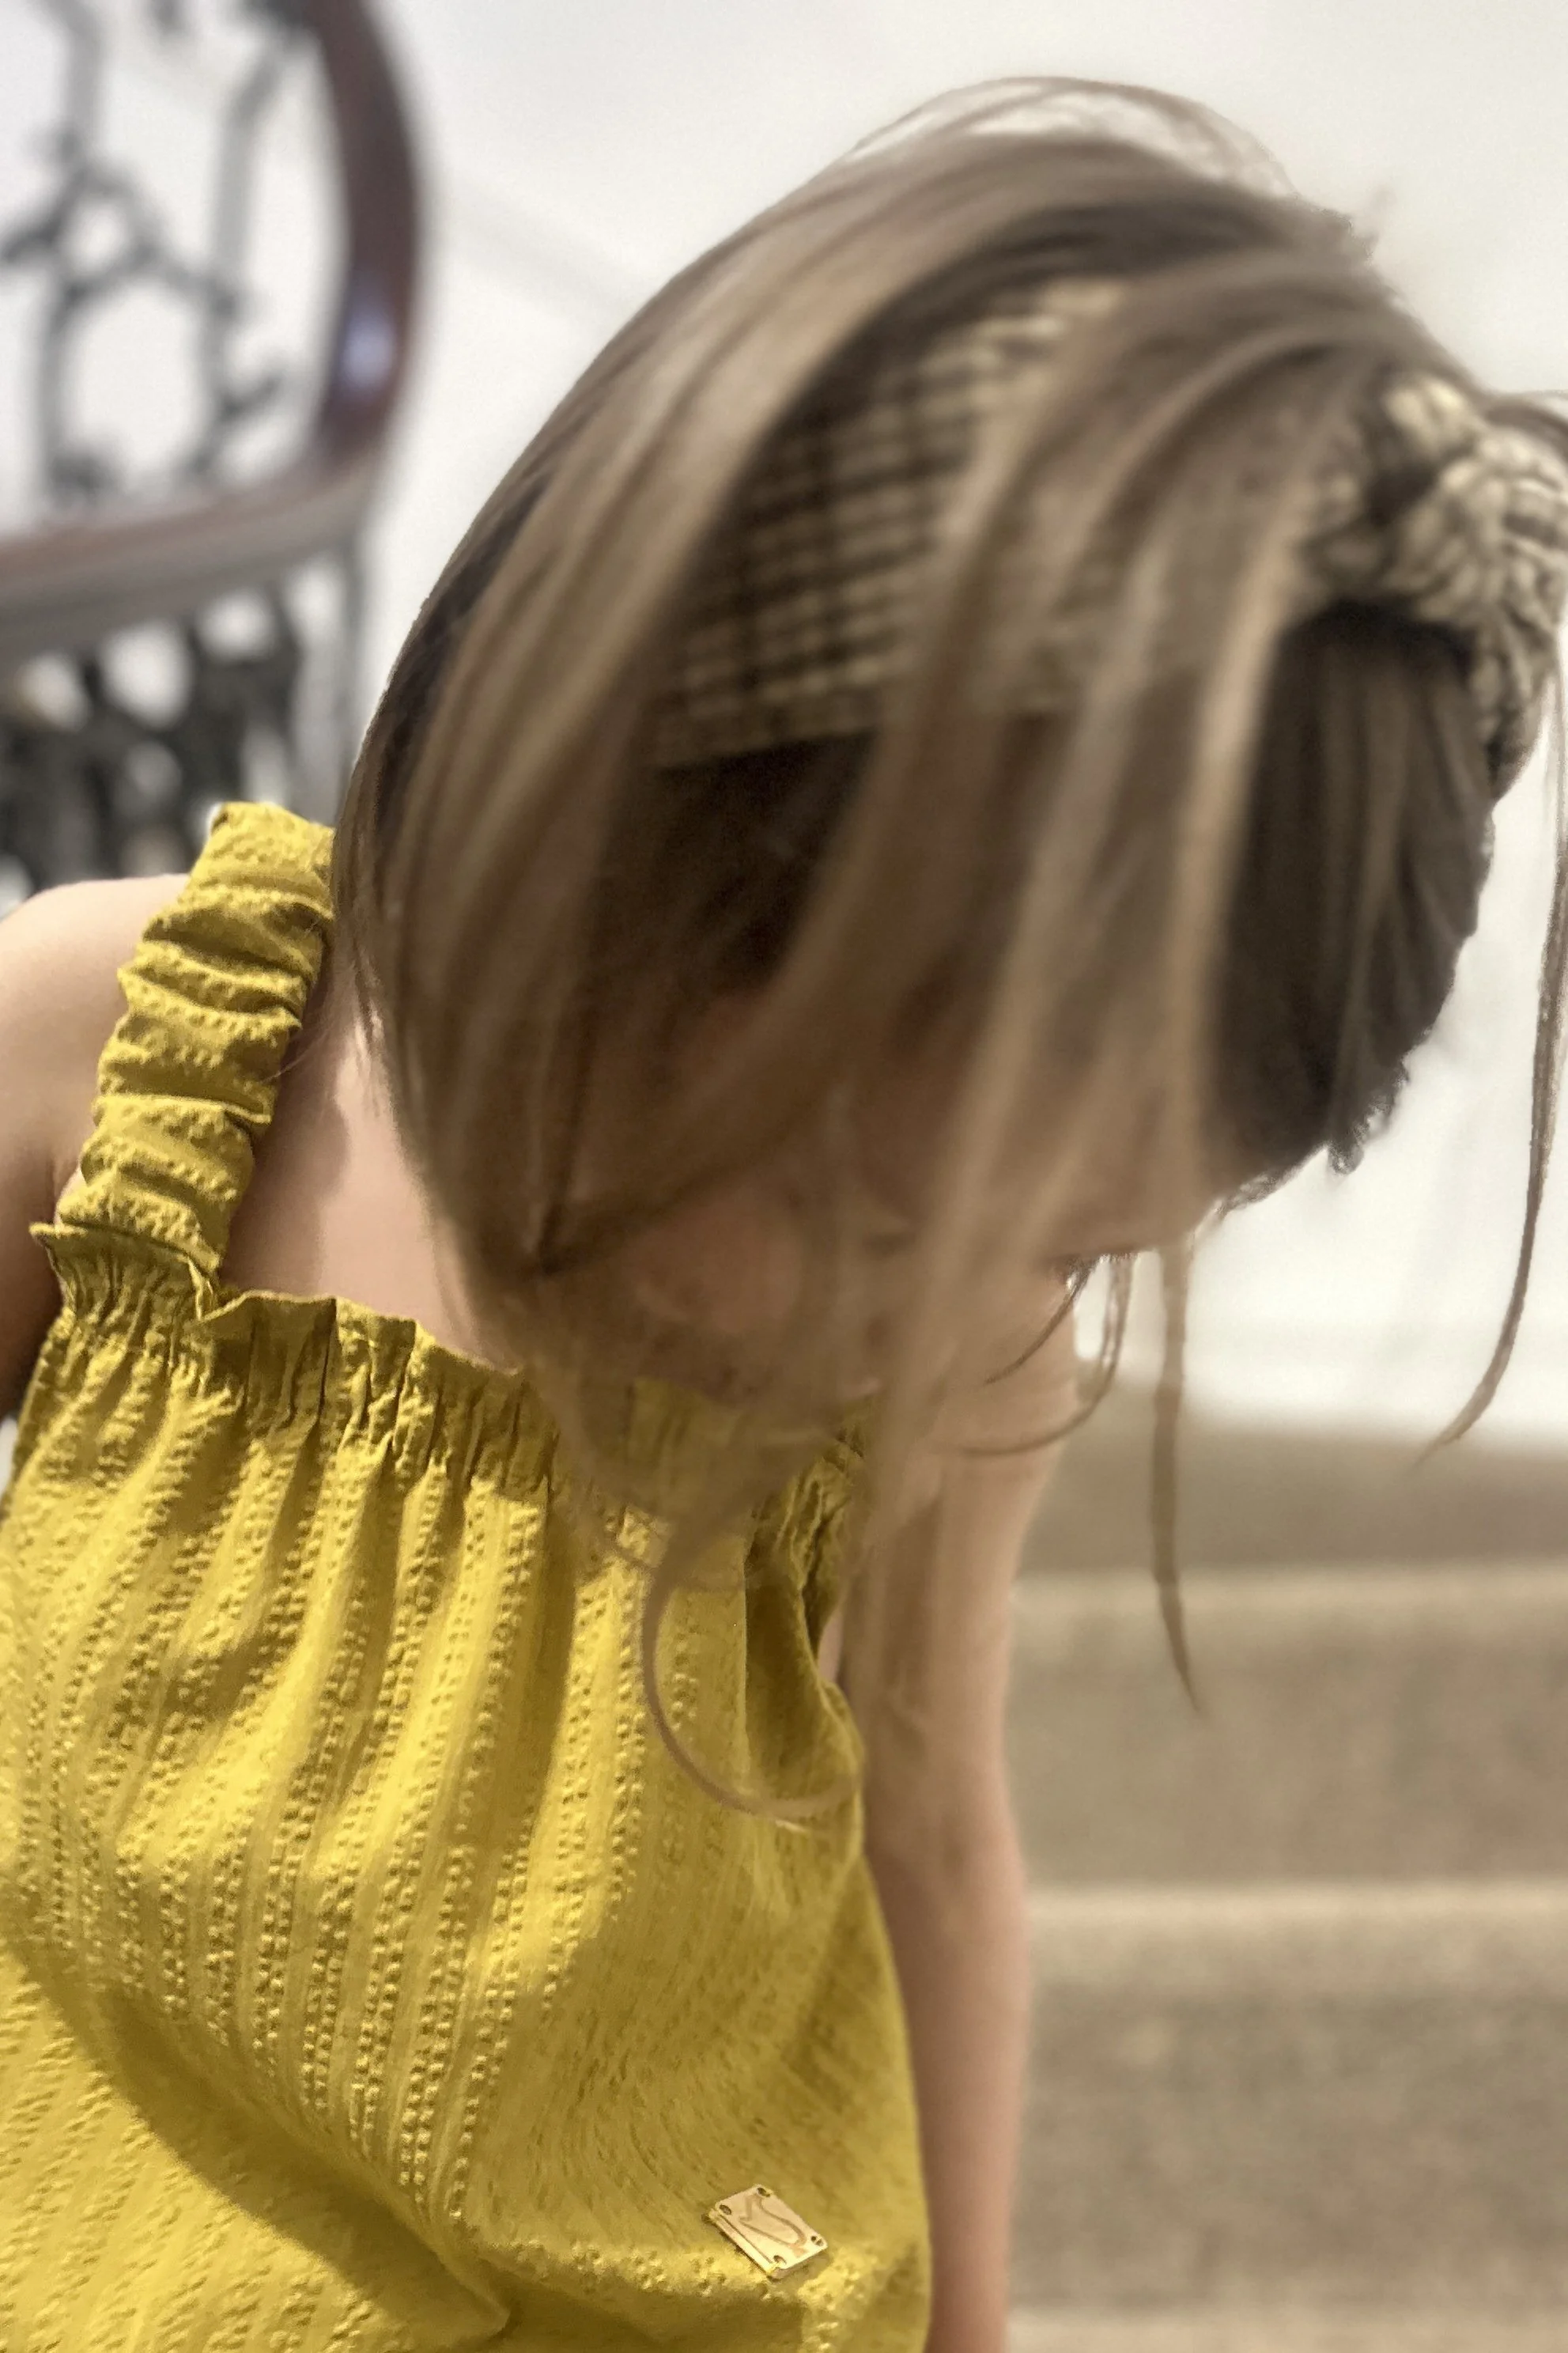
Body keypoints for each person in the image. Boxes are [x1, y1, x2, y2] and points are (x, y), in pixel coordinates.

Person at [2, 73, 1566, 2353]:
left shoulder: (959, 1367)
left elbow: (932, 1826)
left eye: (1065, 1251)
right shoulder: (136, 1061)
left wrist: (977, 2316)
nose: (931, 1328)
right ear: (591, 831)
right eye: (876, 1207)